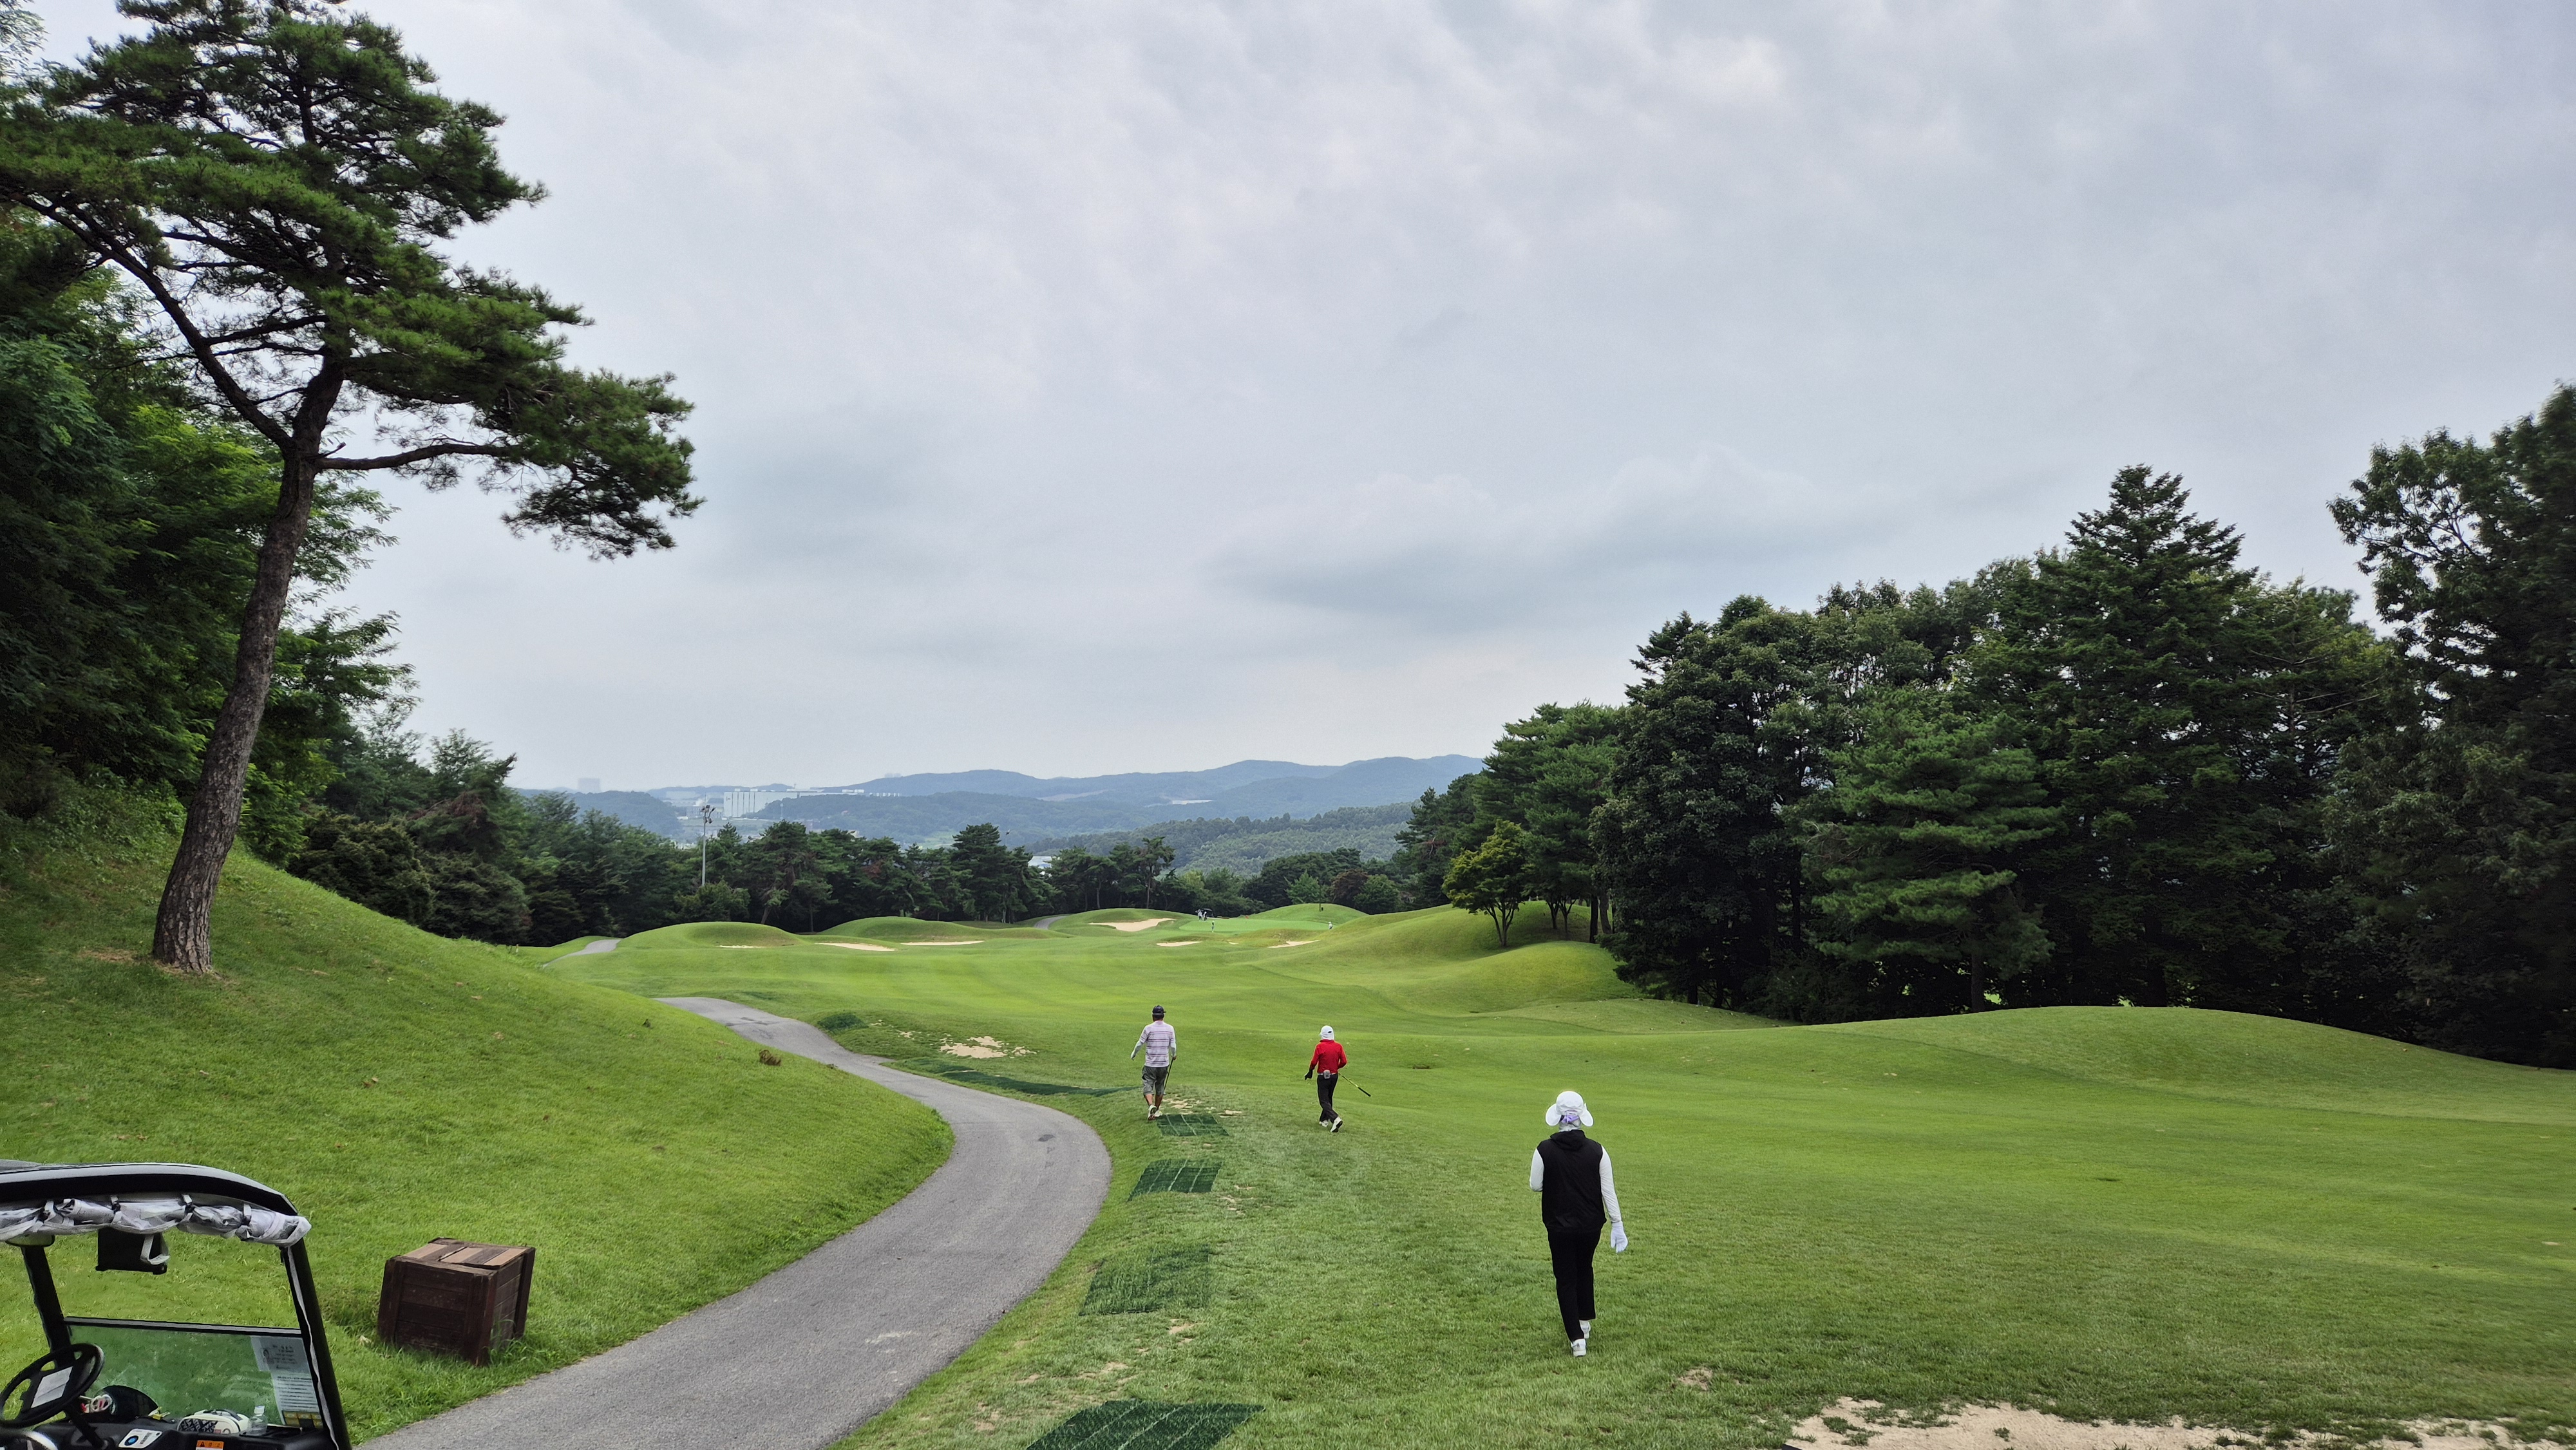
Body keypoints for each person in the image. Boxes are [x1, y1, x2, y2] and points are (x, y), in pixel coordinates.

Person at [1530, 1089, 1627, 1357]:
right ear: (1582, 1116)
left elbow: (1535, 1185)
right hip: (1590, 1225)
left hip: (1559, 1226)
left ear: (1557, 1117)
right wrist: (1617, 1224)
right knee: (1584, 1268)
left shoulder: (1544, 1150)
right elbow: (1609, 1192)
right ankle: (1584, 1323)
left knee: (1565, 1277)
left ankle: (1576, 1339)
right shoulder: (1598, 1151)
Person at [1128, 1004, 1176, 1118]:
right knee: (1160, 1087)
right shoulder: (1170, 1028)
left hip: (1150, 1064)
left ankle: (1151, 1105)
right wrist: (1174, 1055)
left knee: (1148, 1085)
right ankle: (1156, 1111)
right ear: (1163, 1016)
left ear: (1153, 1016)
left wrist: (1133, 1054)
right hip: (1164, 1064)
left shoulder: (1148, 1028)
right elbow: (1173, 1046)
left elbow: (1140, 1044)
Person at [1305, 1025, 1346, 1131]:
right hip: (1334, 1076)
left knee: (1323, 1100)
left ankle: (1335, 1119)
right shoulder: (1339, 1046)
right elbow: (1344, 1062)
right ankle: (1324, 1121)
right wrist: (1336, 1068)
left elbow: (1314, 1062)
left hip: (1323, 1077)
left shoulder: (1320, 1047)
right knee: (1329, 1098)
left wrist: (1310, 1071)